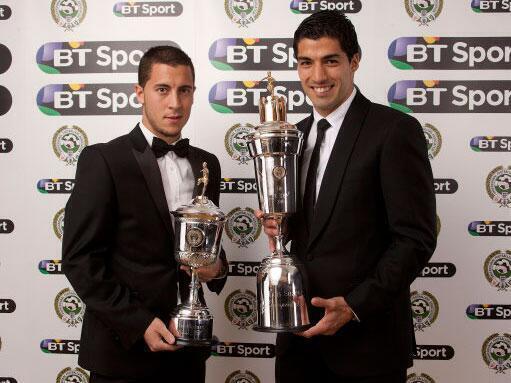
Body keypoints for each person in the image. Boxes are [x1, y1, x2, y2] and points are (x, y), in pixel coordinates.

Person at [257, 11, 436, 383]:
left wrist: (354, 306)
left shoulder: (393, 131)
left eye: (330, 61)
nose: (318, 77)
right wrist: (280, 227)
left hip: (367, 346)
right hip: (299, 345)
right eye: (306, 63)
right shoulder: (293, 137)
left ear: (354, 61)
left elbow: (414, 239)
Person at [62, 46, 227, 383]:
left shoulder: (206, 163)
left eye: (184, 91)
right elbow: (80, 260)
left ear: (194, 94)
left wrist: (217, 267)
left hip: (187, 355)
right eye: (162, 90)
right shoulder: (104, 160)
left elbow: (207, 247)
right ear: (139, 93)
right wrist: (138, 323)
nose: (175, 103)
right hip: (122, 354)